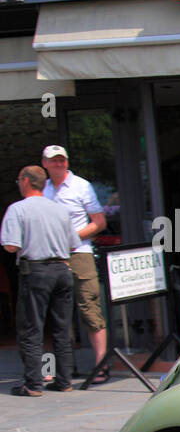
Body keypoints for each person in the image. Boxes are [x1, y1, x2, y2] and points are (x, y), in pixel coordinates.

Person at [3, 166, 80, 396]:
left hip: (36, 271)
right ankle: (65, 380)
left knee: (31, 328)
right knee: (62, 327)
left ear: (25, 181)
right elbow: (73, 244)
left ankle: (34, 384)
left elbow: (10, 246)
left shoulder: (17, 209)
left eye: (19, 180)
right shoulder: (59, 210)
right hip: (62, 270)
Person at [40, 145, 107, 378]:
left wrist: (72, 238)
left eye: (62, 160)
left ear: (67, 162)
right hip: (51, 256)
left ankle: (101, 365)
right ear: (45, 163)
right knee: (57, 312)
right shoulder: (43, 189)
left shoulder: (81, 186)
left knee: (89, 308)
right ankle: (63, 367)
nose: (58, 164)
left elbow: (99, 222)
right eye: (53, 160)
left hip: (79, 253)